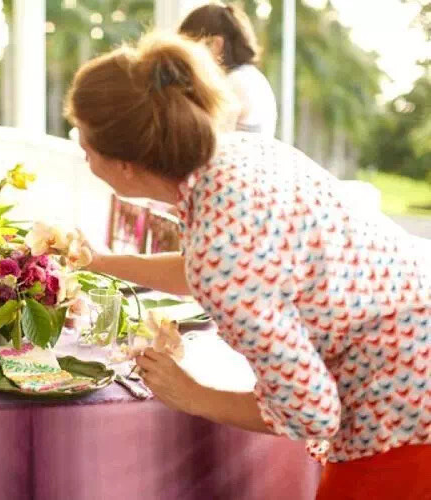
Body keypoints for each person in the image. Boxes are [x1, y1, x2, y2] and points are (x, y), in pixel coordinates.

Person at [64, 32, 430, 499]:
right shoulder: (235, 155)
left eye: (86, 143)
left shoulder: (222, 248)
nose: (83, 154)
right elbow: (217, 268)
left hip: (405, 413)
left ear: (126, 166)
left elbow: (312, 413)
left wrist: (191, 395)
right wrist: (101, 261)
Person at [179, 2, 278, 136]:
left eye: (189, 48)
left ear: (216, 44)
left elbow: (212, 140)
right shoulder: (250, 76)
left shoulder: (236, 83)